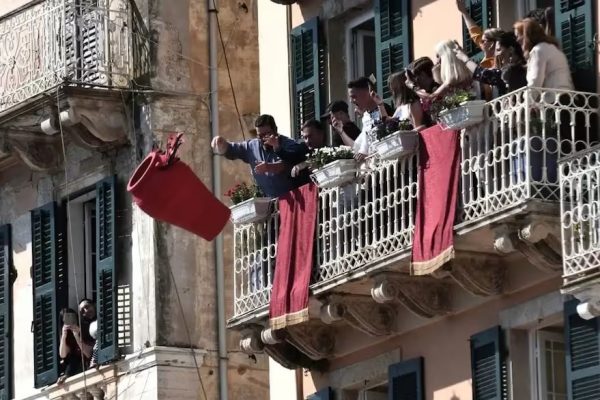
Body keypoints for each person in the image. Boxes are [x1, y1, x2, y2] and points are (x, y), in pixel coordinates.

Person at [212, 114, 306, 197]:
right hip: (271, 206)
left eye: (267, 134)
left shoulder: (288, 144)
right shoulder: (252, 146)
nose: (263, 139)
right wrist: (222, 145)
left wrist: (269, 167)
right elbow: (232, 150)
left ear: (275, 130)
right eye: (259, 136)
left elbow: (289, 162)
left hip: (293, 200)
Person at [455, 32, 527, 97]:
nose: (496, 54)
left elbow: (485, 74)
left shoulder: (517, 70)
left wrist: (464, 58)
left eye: (498, 50)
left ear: (510, 50)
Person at [514, 18, 573, 90]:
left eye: (518, 36)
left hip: (554, 98)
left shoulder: (538, 51)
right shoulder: (552, 48)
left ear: (526, 35)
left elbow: (535, 82)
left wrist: (525, 100)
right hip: (566, 97)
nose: (517, 40)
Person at [266, 119, 326, 186]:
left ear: (321, 134)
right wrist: (276, 146)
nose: (308, 141)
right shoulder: (302, 149)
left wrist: (307, 163)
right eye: (305, 138)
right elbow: (289, 156)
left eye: (310, 136)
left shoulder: (332, 151)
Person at [455, 0, 503, 69]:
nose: (479, 42)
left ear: (491, 44)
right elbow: (474, 32)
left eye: (483, 41)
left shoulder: (499, 63)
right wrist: (464, 12)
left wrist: (464, 58)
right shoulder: (488, 48)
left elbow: (479, 73)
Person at [347, 77, 385, 161]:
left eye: (354, 96)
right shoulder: (366, 116)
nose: (351, 101)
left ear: (367, 92)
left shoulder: (384, 109)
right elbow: (358, 146)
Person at [57, 308, 91, 384]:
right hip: (75, 368)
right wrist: (63, 336)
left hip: (86, 365)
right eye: (66, 319)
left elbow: (88, 354)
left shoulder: (85, 328)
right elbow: (63, 354)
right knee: (72, 358)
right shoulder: (66, 336)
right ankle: (66, 375)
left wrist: (77, 336)